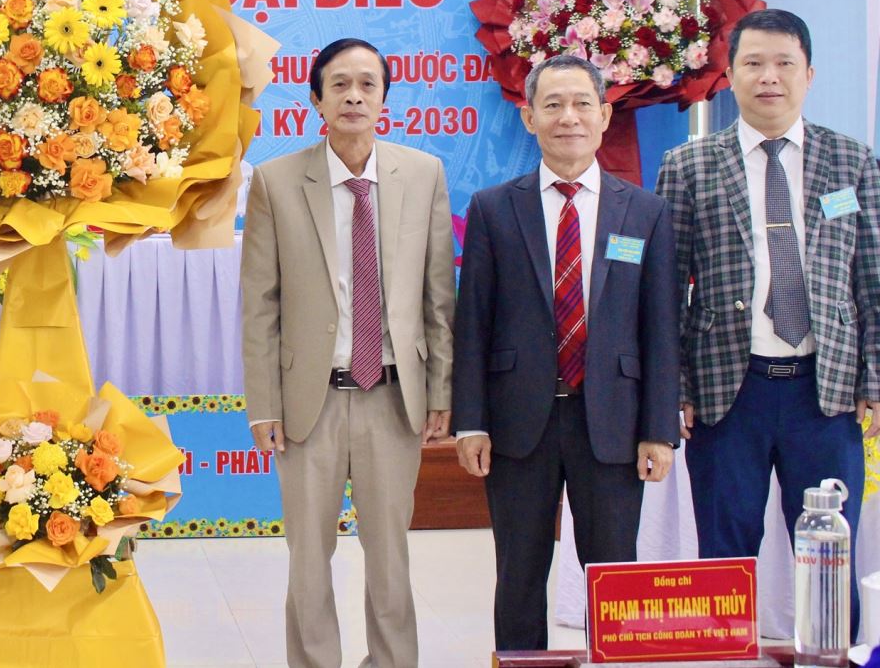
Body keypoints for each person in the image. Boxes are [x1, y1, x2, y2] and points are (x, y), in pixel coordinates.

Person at [656, 8, 880, 627]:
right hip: (728, 392)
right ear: (730, 75)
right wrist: (675, 386)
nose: (769, 77)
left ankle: (829, 659)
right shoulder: (689, 165)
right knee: (724, 554)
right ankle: (725, 659)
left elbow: (872, 279)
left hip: (826, 394)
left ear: (809, 74)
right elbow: (667, 288)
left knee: (829, 557)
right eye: (753, 63)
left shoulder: (852, 161)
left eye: (785, 63)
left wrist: (875, 378)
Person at [452, 54, 680, 651]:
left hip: (613, 421)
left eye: (582, 104)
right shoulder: (494, 208)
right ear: (529, 118)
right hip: (517, 421)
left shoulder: (645, 212)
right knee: (519, 574)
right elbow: (472, 323)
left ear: (604, 115)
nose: (568, 117)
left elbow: (661, 327)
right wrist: (471, 421)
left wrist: (659, 429)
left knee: (613, 574)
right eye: (552, 105)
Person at [241, 37, 456, 668]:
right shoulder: (277, 182)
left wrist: (441, 392)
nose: (354, 96)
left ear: (385, 98)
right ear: (316, 100)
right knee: (309, 558)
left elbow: (439, 296)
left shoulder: (423, 174)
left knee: (390, 557)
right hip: (310, 403)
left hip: (394, 397)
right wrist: (264, 405)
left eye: (367, 84)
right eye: (339, 84)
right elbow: (261, 304)